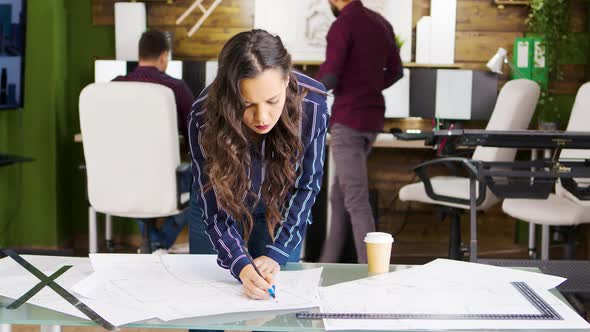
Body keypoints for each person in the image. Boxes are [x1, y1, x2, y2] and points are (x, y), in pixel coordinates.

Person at [188, 29, 328, 299]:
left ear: (286, 80)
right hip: (218, 210)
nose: (262, 117)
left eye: (272, 101)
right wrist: (240, 265)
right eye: (247, 104)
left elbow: (307, 185)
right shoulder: (204, 115)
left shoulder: (312, 103)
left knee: (272, 311)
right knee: (207, 307)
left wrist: (277, 253)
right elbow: (214, 208)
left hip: (279, 210)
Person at [317, 0, 403, 263]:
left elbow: (330, 77)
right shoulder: (381, 23)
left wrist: (301, 95)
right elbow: (396, 72)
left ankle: (371, 273)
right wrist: (369, 85)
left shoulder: (343, 25)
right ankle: (325, 265)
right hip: (372, 119)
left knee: (355, 199)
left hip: (349, 120)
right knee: (339, 195)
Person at [114, 29, 195, 251]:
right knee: (201, 185)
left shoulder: (114, 87)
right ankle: (160, 242)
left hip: (122, 176)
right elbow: (195, 132)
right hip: (165, 176)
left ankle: (153, 244)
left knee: (136, 186)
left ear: (140, 54)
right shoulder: (176, 88)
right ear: (164, 56)